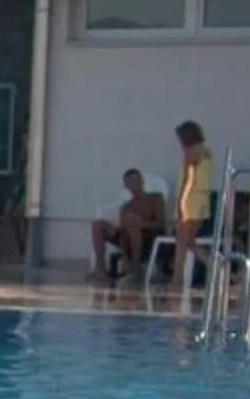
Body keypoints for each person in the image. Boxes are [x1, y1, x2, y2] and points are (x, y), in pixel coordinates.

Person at [88, 168, 167, 282]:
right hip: (128, 239)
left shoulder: (155, 198)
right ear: (126, 186)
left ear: (142, 182)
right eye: (131, 182)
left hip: (150, 235)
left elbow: (160, 224)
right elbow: (124, 233)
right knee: (98, 225)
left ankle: (135, 268)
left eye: (137, 181)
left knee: (132, 221)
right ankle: (100, 268)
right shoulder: (126, 207)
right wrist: (124, 254)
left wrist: (142, 223)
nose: (135, 185)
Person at [172, 120, 214, 283]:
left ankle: (177, 279)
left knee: (182, 243)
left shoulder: (190, 153)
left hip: (190, 200)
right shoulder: (207, 152)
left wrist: (181, 203)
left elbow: (188, 179)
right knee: (190, 242)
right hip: (202, 200)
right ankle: (218, 269)